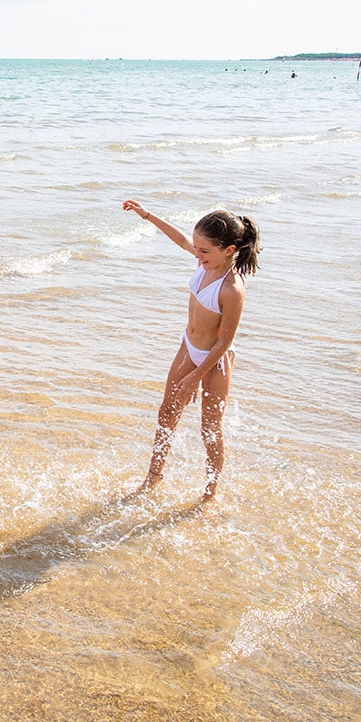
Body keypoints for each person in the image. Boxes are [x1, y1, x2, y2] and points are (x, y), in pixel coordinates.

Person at [120, 201, 261, 501]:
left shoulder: (232, 289)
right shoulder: (204, 261)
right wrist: (146, 215)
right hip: (188, 347)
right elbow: (181, 239)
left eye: (204, 250)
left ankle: (210, 494)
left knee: (210, 429)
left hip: (215, 361)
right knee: (166, 414)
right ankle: (152, 479)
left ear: (229, 250)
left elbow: (224, 342)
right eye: (196, 248)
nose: (196, 254)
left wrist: (196, 376)